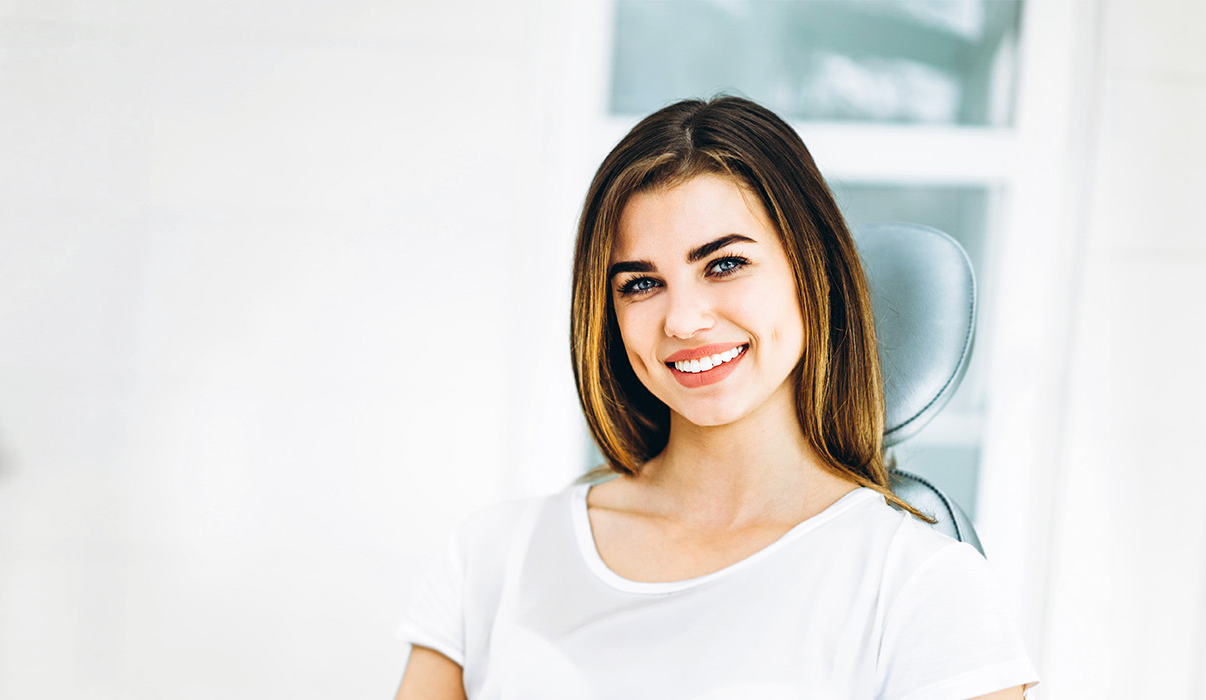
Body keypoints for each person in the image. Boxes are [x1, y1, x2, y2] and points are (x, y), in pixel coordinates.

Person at [391, 96, 1039, 700]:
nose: (683, 320)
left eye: (724, 264)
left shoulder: (921, 589)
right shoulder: (493, 557)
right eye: (640, 284)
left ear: (811, 274)